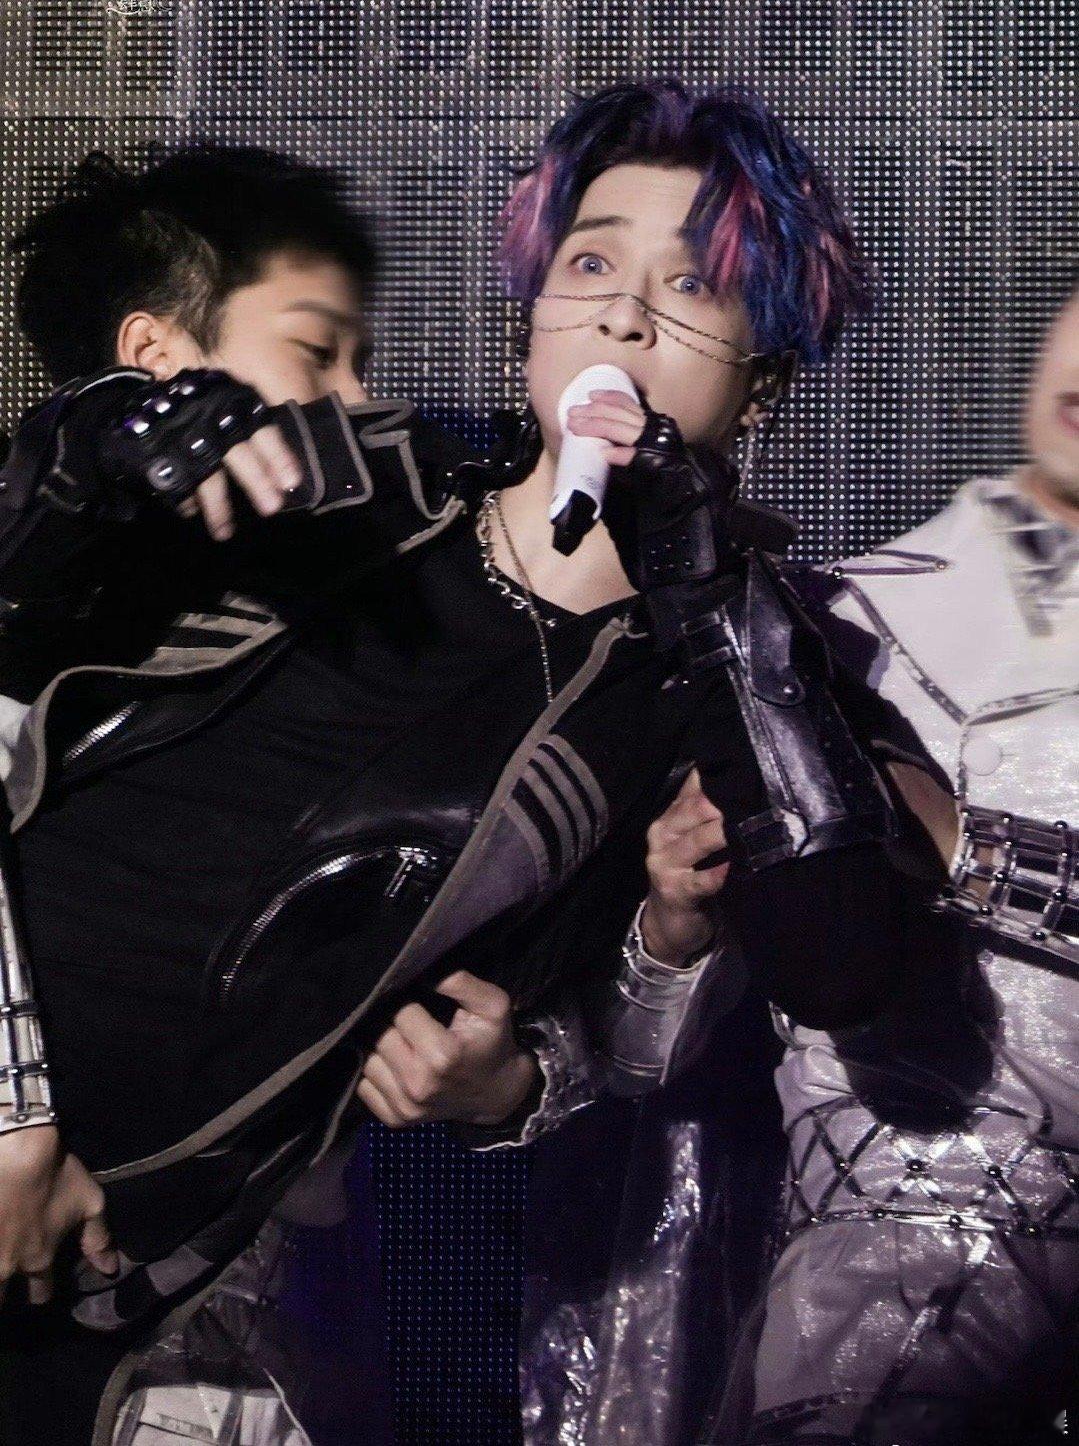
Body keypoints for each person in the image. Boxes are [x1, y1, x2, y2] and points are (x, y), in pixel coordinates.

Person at [0, 82, 908, 1445]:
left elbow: (806, 975)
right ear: (524, 321)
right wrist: (12, 1112)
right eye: (588, 265)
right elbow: (44, 575)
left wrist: (510, 1083)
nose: (621, 316)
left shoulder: (724, 682)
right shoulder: (348, 483)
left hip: (143, 1278)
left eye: (690, 286)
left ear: (762, 375)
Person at [708, 279, 1078, 1444]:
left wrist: (972, 852)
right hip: (879, 1298)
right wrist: (667, 930)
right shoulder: (836, 620)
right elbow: (673, 1049)